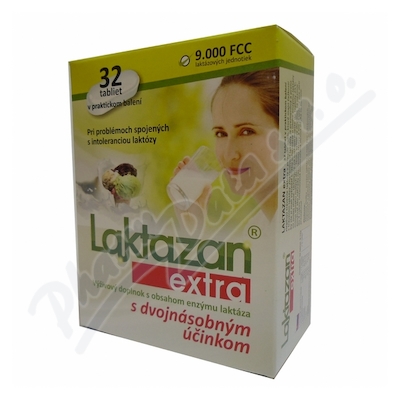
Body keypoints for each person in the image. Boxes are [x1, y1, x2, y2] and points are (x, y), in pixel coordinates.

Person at [173, 69, 280, 227]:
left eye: (247, 131)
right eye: (221, 133)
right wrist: (191, 226)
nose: (229, 155)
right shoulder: (257, 227)